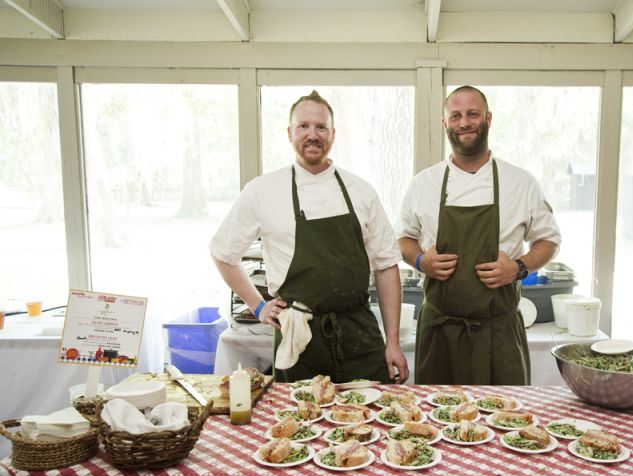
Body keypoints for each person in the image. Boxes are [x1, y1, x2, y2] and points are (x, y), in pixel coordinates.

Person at [210, 90, 408, 384]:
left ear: (333, 134)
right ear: (290, 133)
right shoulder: (263, 191)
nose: (312, 135)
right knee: (298, 425)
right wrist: (258, 305)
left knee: (370, 420)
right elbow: (223, 253)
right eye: (303, 126)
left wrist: (392, 341)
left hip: (359, 334)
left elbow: (387, 265)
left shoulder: (361, 191)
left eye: (320, 127)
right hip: (297, 337)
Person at [397, 85, 561, 385]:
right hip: (440, 332)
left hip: (499, 331)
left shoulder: (520, 182)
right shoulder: (424, 183)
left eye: (473, 114)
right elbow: (403, 240)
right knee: (435, 423)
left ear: (488, 118)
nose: (465, 122)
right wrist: (421, 262)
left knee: (506, 422)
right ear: (445, 123)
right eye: (456, 115)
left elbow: (549, 240)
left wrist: (519, 268)